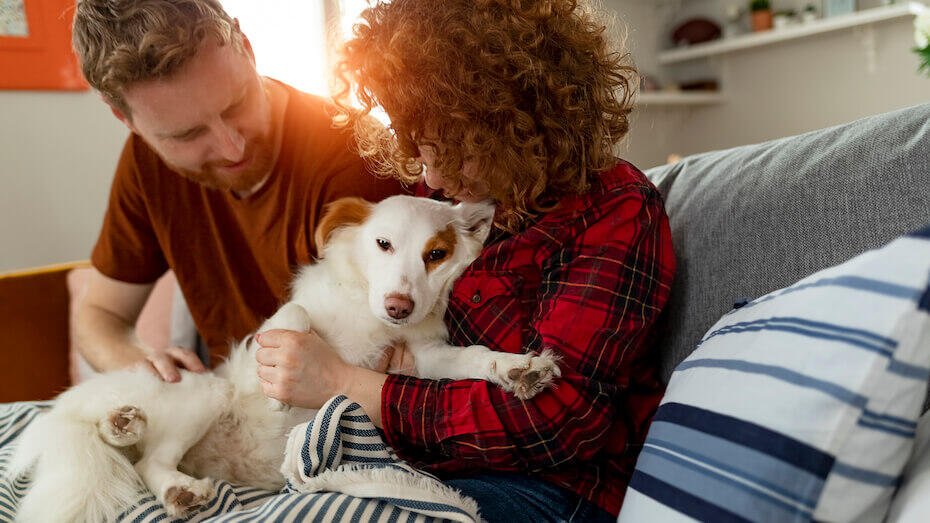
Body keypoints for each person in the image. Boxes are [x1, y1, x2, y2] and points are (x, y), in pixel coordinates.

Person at [253, 0, 677, 521]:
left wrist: (350, 385)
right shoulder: (447, 204)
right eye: (420, 149)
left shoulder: (614, 208)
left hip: (553, 489)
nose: (429, 177)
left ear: (510, 122)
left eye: (447, 150)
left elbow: (561, 420)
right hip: (420, 466)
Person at [70, 0, 404, 381]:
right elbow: (100, 316)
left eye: (237, 103)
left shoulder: (357, 158)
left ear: (246, 46)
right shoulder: (146, 164)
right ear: (124, 118)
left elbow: (381, 367)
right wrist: (139, 365)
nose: (233, 148)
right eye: (188, 135)